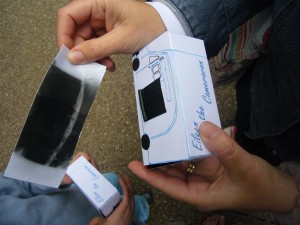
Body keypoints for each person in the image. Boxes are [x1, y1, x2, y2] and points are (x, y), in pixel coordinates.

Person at [56, 0, 300, 224]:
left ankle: (251, 146)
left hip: (287, 139)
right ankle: (247, 142)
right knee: (248, 123)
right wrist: (166, 18)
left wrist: (285, 196)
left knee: (253, 134)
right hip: (267, 88)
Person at [0, 152, 151, 225]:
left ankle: (137, 204)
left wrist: (57, 176)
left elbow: (19, 181)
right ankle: (143, 209)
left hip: (79, 195)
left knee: (113, 182)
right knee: (131, 214)